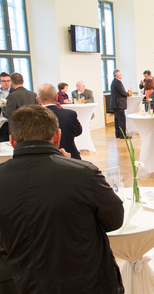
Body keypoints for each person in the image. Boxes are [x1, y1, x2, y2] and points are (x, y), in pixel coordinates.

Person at [0, 105, 124, 293]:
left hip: (24, 282)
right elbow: (115, 220)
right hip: (86, 281)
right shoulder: (84, 173)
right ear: (57, 136)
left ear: (12, 140)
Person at [39, 83, 83, 160]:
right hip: (71, 157)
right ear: (56, 97)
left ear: (38, 99)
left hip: (45, 160)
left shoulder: (34, 117)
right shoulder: (70, 114)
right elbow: (78, 132)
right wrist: (61, 110)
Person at [110, 69, 129, 139]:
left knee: (117, 120)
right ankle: (123, 135)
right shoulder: (117, 82)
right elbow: (122, 92)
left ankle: (118, 134)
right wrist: (128, 94)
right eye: (120, 74)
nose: (122, 75)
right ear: (117, 74)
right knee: (121, 119)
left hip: (115, 104)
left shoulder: (114, 82)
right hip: (119, 104)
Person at [0, 72, 12, 141]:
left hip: (9, 122)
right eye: (3, 81)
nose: (6, 83)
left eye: (8, 81)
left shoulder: (13, 92)